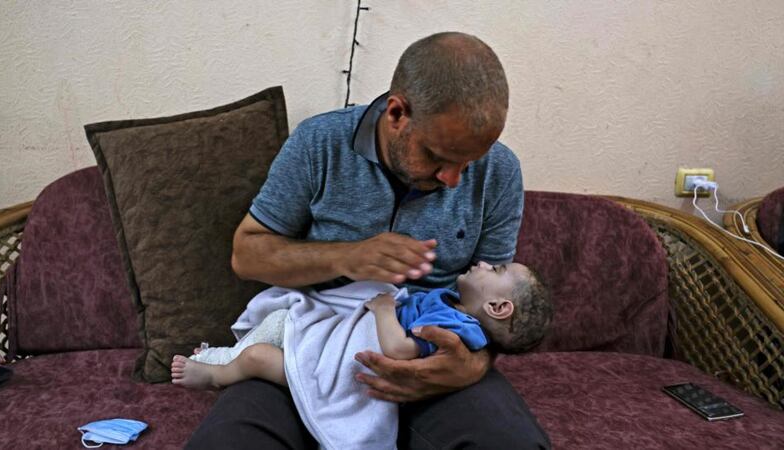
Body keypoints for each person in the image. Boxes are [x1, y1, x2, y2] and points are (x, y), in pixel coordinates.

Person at [186, 31, 551, 449]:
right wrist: (346, 257)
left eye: (468, 163)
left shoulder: (501, 171)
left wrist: (469, 367)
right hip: (312, 343)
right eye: (438, 157)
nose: (453, 179)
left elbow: (494, 316)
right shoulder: (319, 143)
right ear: (397, 113)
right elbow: (247, 254)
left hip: (429, 362)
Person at [170, 262, 552, 391]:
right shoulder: (452, 307)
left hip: (349, 366)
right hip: (343, 339)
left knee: (258, 357)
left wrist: (385, 309)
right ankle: (220, 358)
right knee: (278, 326)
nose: (485, 263)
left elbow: (400, 351)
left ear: (499, 307)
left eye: (497, 270)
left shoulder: (456, 326)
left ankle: (217, 371)